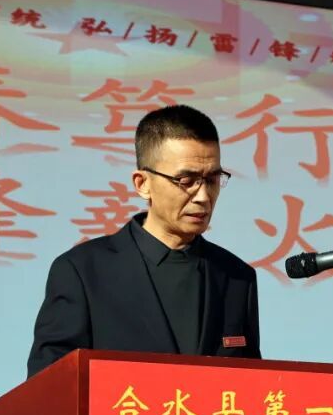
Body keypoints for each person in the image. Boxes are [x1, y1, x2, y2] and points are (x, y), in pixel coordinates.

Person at [27, 104, 261, 377]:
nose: (203, 196)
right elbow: (50, 386)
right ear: (142, 184)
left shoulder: (237, 277)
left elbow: (251, 384)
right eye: (186, 180)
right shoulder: (83, 272)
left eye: (212, 179)